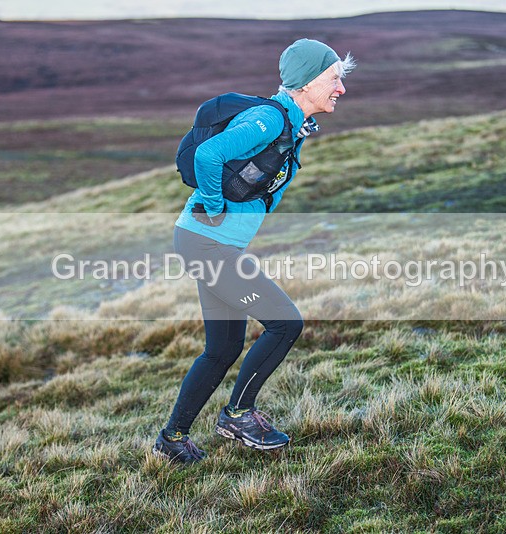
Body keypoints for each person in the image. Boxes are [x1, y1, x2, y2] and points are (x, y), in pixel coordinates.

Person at [153, 38, 356, 463]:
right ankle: (238, 415)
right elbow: (208, 156)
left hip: (207, 243)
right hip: (207, 244)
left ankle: (172, 440)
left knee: (222, 349)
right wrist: (212, 207)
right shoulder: (268, 119)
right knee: (286, 324)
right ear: (308, 82)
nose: (341, 88)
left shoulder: (291, 124)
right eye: (335, 78)